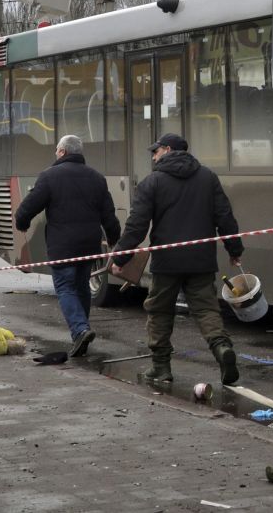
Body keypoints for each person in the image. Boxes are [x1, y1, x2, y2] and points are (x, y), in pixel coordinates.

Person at [111, 133, 243, 385]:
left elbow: (136, 226)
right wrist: (234, 249)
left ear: (168, 149)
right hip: (201, 259)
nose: (153, 156)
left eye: (156, 151)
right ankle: (221, 348)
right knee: (206, 309)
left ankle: (161, 368)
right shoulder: (208, 178)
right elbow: (224, 217)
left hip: (166, 261)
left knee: (159, 311)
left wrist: (121, 257)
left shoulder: (152, 182)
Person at [15, 135, 121, 357]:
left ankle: (80, 329)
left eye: (56, 150)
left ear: (63, 152)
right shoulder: (97, 178)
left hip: (62, 247)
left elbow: (27, 208)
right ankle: (81, 334)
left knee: (65, 287)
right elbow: (109, 215)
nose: (55, 153)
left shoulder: (49, 176)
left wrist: (22, 223)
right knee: (81, 286)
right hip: (89, 245)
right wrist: (113, 239)